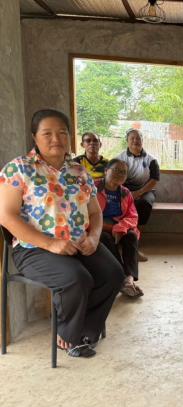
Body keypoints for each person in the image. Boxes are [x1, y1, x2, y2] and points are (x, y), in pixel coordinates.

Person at [0, 109, 124, 358]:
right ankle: (69, 336)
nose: (56, 139)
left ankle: (86, 329)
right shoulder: (19, 169)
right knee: (76, 278)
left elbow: (96, 213)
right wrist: (50, 243)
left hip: (78, 242)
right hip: (34, 249)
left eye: (62, 133)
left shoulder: (79, 171)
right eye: (47, 133)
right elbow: (6, 216)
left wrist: (93, 238)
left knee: (114, 274)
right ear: (34, 137)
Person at [96, 159, 143, 299]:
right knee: (104, 237)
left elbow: (133, 216)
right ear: (106, 171)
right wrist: (112, 228)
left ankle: (129, 278)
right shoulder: (93, 188)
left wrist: (120, 228)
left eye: (123, 172)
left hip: (120, 226)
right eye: (116, 170)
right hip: (98, 225)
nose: (119, 174)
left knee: (131, 236)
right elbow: (86, 215)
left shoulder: (125, 192)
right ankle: (122, 278)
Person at [116, 129, 160, 262]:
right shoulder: (119, 159)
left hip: (146, 190)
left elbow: (154, 180)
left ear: (142, 140)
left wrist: (138, 193)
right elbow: (115, 178)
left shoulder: (151, 160)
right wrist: (127, 194)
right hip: (123, 189)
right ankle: (119, 243)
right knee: (117, 204)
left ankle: (135, 244)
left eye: (138, 138)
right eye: (132, 138)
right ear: (127, 141)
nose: (136, 141)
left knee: (143, 204)